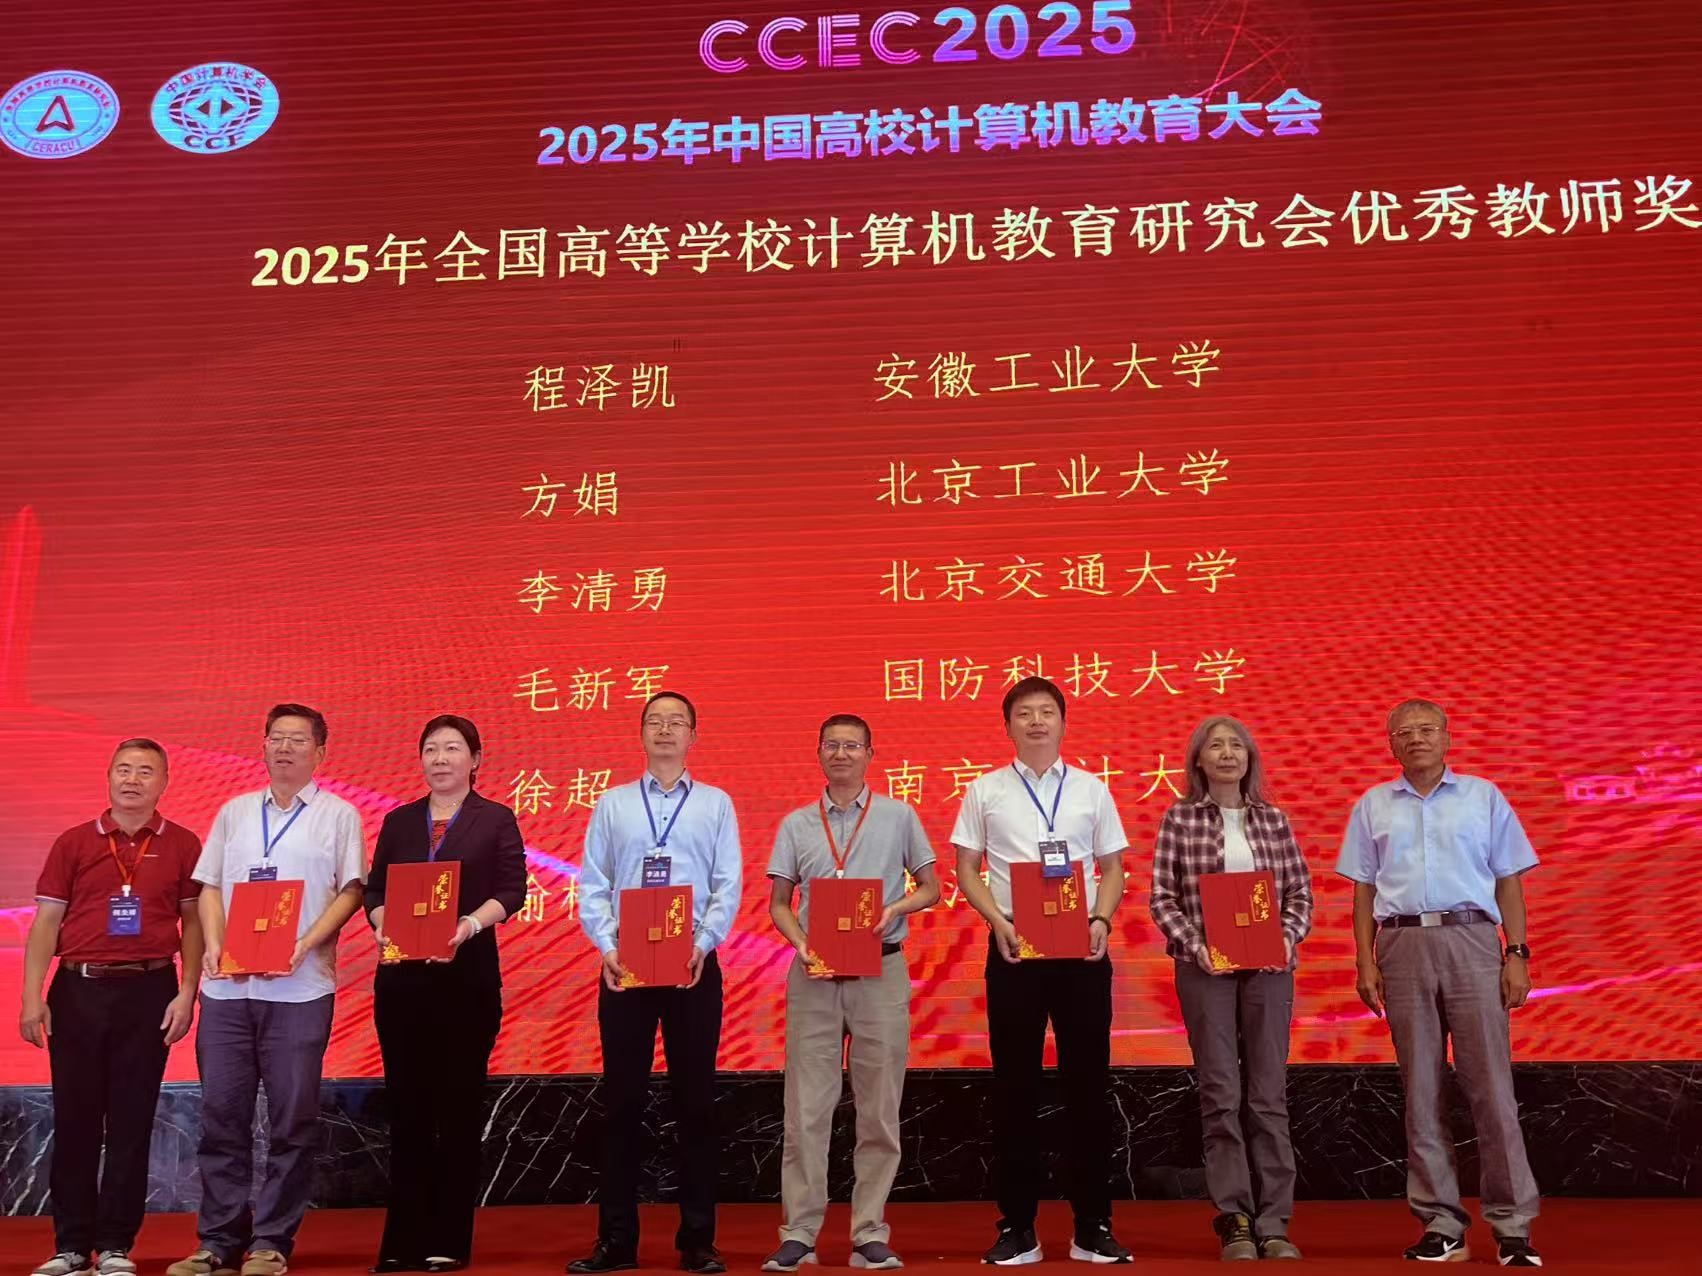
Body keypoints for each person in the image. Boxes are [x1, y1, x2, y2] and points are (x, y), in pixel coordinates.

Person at [1337, 699, 1542, 1268]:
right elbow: (1362, 890)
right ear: (1391, 745)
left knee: (1491, 1088)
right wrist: (1365, 961)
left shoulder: (1483, 796)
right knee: (1421, 1090)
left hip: (1473, 940)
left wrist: (1516, 953)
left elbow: (1508, 880)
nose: (1416, 739)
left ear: (1448, 737)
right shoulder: (1373, 804)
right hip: (1401, 944)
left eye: (1427, 729)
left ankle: (1512, 1225)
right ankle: (1441, 1223)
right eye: (1403, 732)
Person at [168, 704, 367, 1276]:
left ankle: (271, 1242)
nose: (284, 748)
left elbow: (352, 891)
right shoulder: (233, 811)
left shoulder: (338, 815)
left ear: (320, 753)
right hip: (228, 992)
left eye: (297, 740)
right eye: (276, 738)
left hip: (300, 991)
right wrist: (214, 942)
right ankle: (218, 1241)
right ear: (263, 747)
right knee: (221, 1117)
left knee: (292, 1121)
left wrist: (305, 943)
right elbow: (209, 886)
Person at [949, 676, 1132, 1266]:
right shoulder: (985, 790)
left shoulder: (1091, 789)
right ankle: (1018, 1227)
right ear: (1008, 726)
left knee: (1089, 1088)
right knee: (1015, 1089)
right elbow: (967, 868)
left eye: (1046, 712)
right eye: (1024, 713)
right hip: (1014, 951)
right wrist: (997, 921)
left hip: (1082, 953)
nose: (1035, 721)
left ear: (1062, 722)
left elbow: (1112, 867)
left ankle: (1093, 1226)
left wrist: (1101, 919)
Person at [571, 692, 743, 1275]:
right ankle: (616, 1241)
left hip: (692, 965)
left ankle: (698, 1241)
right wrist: (608, 947)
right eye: (655, 721)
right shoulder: (613, 803)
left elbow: (728, 884)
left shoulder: (715, 804)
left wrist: (703, 945)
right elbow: (593, 882)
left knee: (695, 1102)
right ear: (641, 733)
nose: (665, 730)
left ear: (694, 735)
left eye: (676, 722)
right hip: (625, 967)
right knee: (621, 1102)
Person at [763, 714, 942, 1273]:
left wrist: (894, 908)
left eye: (852, 746)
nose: (841, 754)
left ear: (870, 753)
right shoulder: (796, 823)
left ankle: (869, 1232)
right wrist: (801, 944)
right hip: (814, 976)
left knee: (879, 1109)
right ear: (819, 753)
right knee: (805, 1110)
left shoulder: (898, 816)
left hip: (880, 972)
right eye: (831, 745)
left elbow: (932, 888)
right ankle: (799, 1233)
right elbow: (779, 904)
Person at [21, 740, 205, 1276]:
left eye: (145, 772)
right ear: (108, 777)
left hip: (150, 991)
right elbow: (47, 923)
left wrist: (187, 991)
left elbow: (193, 923)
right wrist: (32, 997)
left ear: (164, 783)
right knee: (75, 1118)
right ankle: (71, 1246)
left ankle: (117, 1244)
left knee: (131, 1120)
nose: (132, 780)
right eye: (123, 769)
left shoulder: (183, 843)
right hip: (77, 991)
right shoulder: (74, 842)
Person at [366, 715, 527, 1273]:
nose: (440, 758)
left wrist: (468, 926)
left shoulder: (495, 819)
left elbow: (513, 890)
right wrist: (384, 925)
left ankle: (449, 1239)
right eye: (431, 749)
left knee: (457, 1111)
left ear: (475, 760)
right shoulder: (399, 820)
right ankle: (401, 1241)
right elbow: (375, 890)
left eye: (452, 748)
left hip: (466, 982)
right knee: (407, 1111)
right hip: (402, 984)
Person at [1149, 717, 1312, 1262]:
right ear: (1198, 759)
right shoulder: (1180, 818)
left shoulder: (1274, 820)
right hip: (1204, 970)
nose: (1226, 753)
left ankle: (1275, 1221)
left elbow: (1300, 894)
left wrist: (1285, 938)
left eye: (1236, 745)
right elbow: (1162, 897)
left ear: (1249, 758)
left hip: (1270, 970)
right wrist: (1197, 946)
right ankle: (1234, 1217)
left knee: (1268, 1096)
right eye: (1215, 745)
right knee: (1221, 1093)